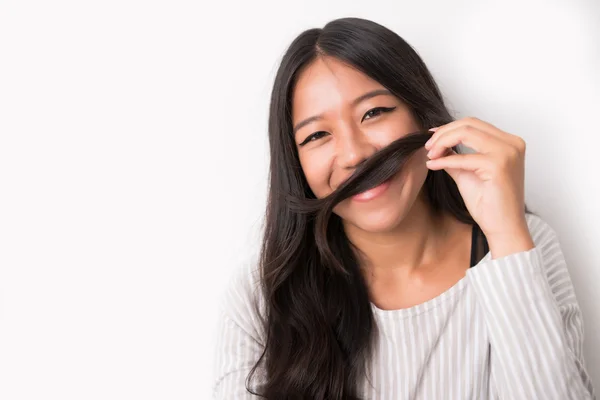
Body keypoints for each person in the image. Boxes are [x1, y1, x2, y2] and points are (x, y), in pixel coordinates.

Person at [211, 17, 596, 399]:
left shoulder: (523, 245)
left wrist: (507, 234)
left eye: (374, 112)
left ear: (421, 113)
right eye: (317, 135)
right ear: (296, 164)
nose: (354, 154)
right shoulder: (260, 296)